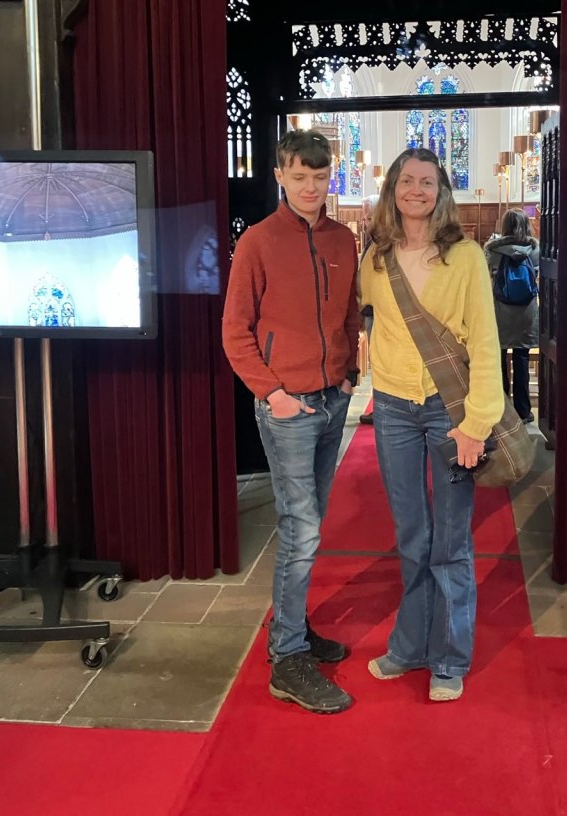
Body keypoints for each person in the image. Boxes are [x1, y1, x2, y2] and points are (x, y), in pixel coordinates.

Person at [222, 130, 360, 715]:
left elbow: (351, 310)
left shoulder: (343, 238)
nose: (310, 186)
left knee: (310, 523)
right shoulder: (257, 242)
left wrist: (350, 371)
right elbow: (235, 331)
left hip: (332, 400)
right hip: (287, 408)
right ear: (279, 174)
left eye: (320, 176)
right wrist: (273, 393)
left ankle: (294, 627)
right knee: (301, 528)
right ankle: (286, 657)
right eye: (299, 176)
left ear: (332, 176)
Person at [359, 147, 504, 702]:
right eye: (406, 181)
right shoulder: (375, 258)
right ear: (392, 189)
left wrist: (477, 422)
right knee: (411, 536)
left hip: (450, 412)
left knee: (451, 540)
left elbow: (486, 343)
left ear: (441, 191)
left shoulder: (465, 256)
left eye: (427, 182)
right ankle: (410, 645)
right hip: (394, 408)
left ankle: (449, 657)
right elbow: (358, 314)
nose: (415, 190)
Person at [485, 208, 540, 424]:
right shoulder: (535, 248)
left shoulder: (492, 249)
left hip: (499, 311)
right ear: (526, 224)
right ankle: (523, 412)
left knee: (498, 361)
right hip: (525, 314)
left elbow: (483, 275)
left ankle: (502, 411)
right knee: (521, 360)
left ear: (504, 226)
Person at [358, 193, 380, 426]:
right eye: (363, 219)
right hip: (369, 312)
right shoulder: (372, 241)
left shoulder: (382, 242)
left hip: (378, 313)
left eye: (369, 219)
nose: (364, 224)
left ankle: (381, 409)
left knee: (380, 363)